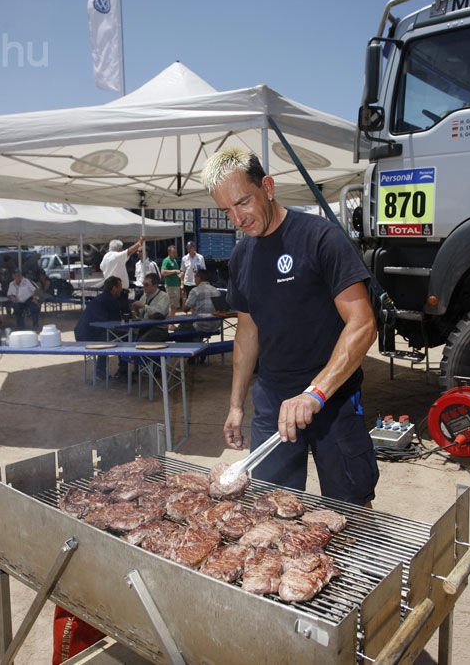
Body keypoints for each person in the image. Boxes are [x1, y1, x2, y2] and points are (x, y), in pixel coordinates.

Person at [202, 147, 379, 506]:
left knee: (352, 506)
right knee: (271, 508)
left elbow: (362, 324)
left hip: (335, 398)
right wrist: (236, 404)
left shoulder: (321, 238)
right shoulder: (242, 257)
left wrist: (315, 392)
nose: (238, 219)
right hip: (273, 402)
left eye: (243, 202)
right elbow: (247, 333)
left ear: (267, 187)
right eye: (227, 211)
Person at [74, 276, 124, 379]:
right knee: (122, 339)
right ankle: (122, 371)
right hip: (89, 336)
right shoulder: (111, 300)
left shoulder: (100, 298)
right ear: (114, 288)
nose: (121, 289)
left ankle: (104, 370)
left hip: (80, 334)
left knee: (110, 337)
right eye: (120, 287)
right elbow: (117, 323)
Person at [130, 272, 170, 342]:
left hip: (158, 329)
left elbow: (160, 313)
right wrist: (136, 310)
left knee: (141, 342)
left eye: (146, 285)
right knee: (128, 337)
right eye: (143, 284)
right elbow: (140, 316)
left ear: (155, 285)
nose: (144, 287)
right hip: (144, 327)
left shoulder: (164, 296)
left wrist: (144, 306)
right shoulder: (145, 295)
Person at [181, 269, 222, 334]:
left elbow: (185, 309)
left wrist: (184, 297)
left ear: (199, 278)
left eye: (195, 277)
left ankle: (194, 342)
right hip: (216, 325)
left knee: (181, 328)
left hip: (200, 325)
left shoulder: (195, 290)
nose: (194, 279)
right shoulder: (216, 290)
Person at [160, 244, 182, 315]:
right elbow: (163, 272)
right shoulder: (166, 260)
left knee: (175, 305)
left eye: (175, 252)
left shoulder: (174, 261)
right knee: (171, 305)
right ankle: (170, 323)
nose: (175, 253)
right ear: (169, 252)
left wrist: (179, 275)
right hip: (170, 286)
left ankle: (172, 322)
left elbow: (176, 273)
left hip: (176, 285)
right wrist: (175, 271)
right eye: (173, 252)